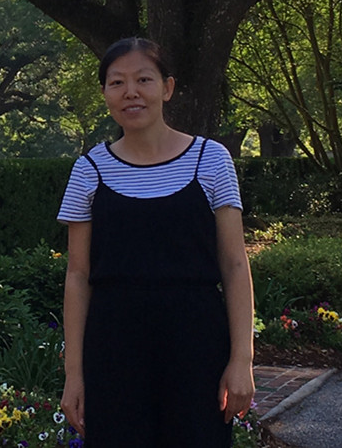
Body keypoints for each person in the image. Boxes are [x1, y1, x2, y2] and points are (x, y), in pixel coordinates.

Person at [57, 37, 255, 448]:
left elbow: (235, 265)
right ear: (105, 93)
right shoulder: (88, 170)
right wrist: (74, 375)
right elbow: (77, 275)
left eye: (143, 79)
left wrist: (242, 360)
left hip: (197, 345)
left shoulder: (211, 159)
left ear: (167, 87)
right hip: (113, 349)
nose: (131, 92)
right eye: (117, 82)